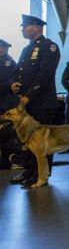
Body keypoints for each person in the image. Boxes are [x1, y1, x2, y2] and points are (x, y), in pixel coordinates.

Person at [8, 15, 61, 187]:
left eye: (25, 26)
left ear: (37, 27)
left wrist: (29, 96)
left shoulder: (49, 47)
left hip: (42, 103)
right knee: (29, 141)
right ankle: (29, 172)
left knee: (42, 143)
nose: (22, 29)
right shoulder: (26, 49)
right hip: (27, 104)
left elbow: (44, 75)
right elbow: (18, 72)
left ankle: (41, 175)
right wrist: (14, 84)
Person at [0, 39, 19, 169]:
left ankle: (9, 160)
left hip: (5, 101)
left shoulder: (8, 62)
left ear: (4, 48)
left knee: (6, 132)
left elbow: (5, 83)